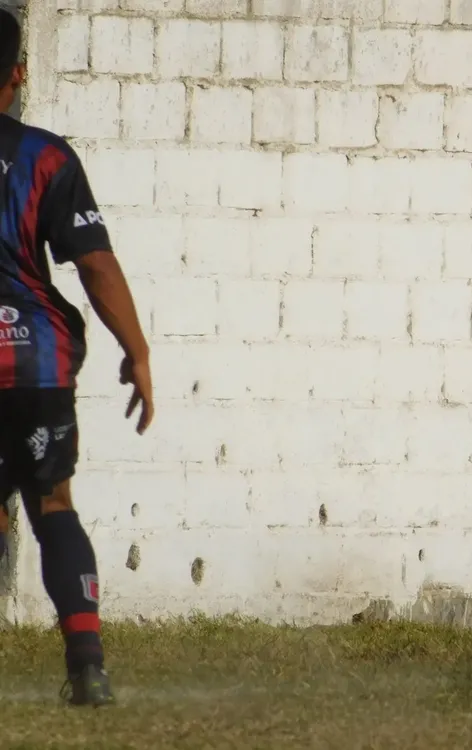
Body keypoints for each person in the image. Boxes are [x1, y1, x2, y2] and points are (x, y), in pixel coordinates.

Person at [0, 9, 154, 704]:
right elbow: (93, 263)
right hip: (36, 364)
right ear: (18, 75)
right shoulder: (49, 158)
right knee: (53, 502)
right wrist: (137, 350)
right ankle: (87, 664)